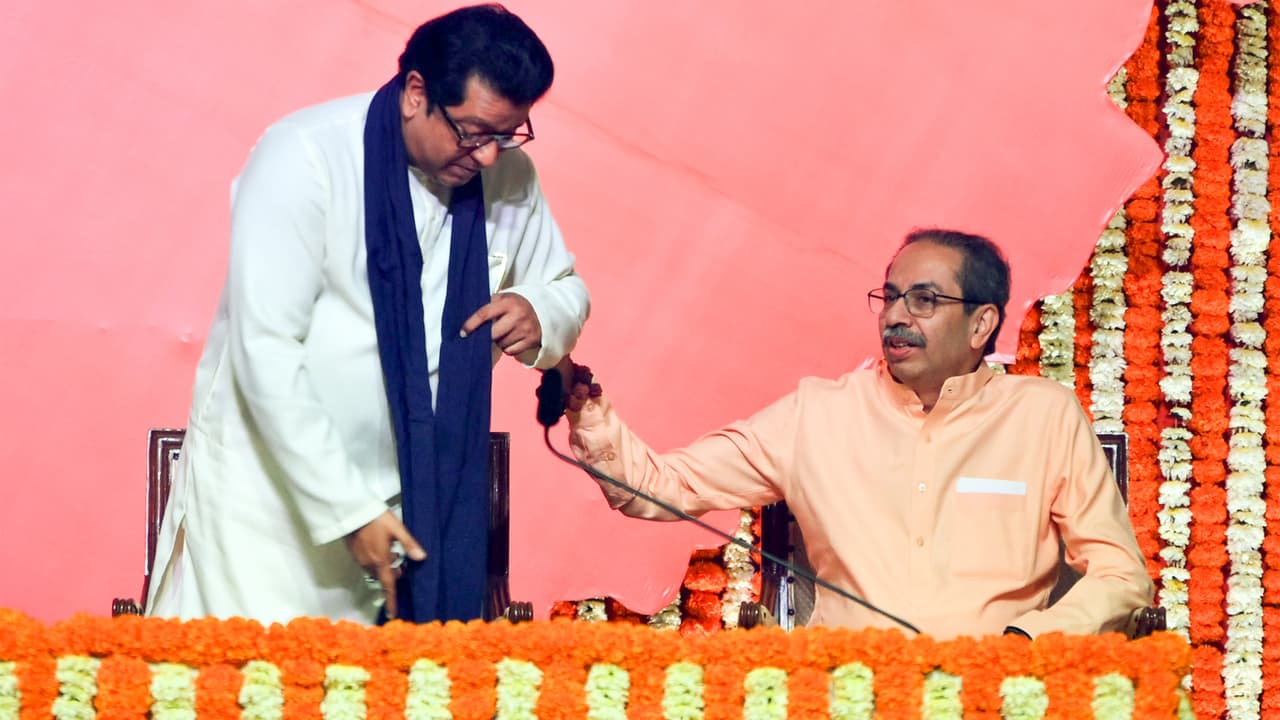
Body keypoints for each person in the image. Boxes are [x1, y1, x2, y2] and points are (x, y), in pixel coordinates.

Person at [146, 4, 589, 625]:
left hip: (416, 505)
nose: (490, 156)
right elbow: (264, 347)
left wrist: (540, 309)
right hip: (270, 516)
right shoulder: (305, 156)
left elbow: (564, 286)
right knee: (250, 673)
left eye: (508, 134)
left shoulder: (508, 176)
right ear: (416, 93)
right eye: (473, 132)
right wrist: (345, 508)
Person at [560, 228, 1151, 639]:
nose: (895, 316)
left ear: (982, 324)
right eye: (890, 297)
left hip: (995, 695)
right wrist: (586, 410)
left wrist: (1029, 642)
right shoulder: (817, 414)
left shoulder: (1042, 417)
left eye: (924, 300)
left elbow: (1121, 576)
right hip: (848, 692)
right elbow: (659, 488)